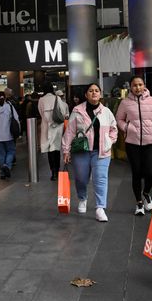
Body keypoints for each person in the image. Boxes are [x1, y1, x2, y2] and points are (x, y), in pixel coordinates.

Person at [62, 83, 118, 222]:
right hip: (81, 151)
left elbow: (114, 129)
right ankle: (82, 198)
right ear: (86, 94)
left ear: (100, 94)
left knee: (101, 178)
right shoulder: (77, 110)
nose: (94, 93)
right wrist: (66, 150)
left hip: (101, 152)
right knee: (81, 178)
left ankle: (100, 208)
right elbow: (69, 132)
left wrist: (110, 141)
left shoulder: (106, 111)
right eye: (91, 91)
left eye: (97, 91)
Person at [116, 76, 152, 216]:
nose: (137, 87)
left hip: (150, 142)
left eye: (140, 84)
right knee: (136, 173)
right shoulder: (125, 103)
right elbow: (118, 119)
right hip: (132, 143)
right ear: (130, 87)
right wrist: (127, 128)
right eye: (134, 85)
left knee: (150, 172)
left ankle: (146, 193)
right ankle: (138, 203)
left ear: (144, 85)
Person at [38, 85, 69, 181]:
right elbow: (63, 112)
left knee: (49, 150)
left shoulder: (41, 100)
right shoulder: (57, 98)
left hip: (46, 126)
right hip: (57, 127)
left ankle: (53, 172)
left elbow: (40, 112)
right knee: (56, 149)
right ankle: (58, 170)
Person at [0, 92, 18, 179]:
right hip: (8, 134)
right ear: (5, 97)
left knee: (1, 154)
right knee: (11, 151)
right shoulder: (9, 107)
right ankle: (7, 165)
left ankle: (2, 173)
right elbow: (16, 118)